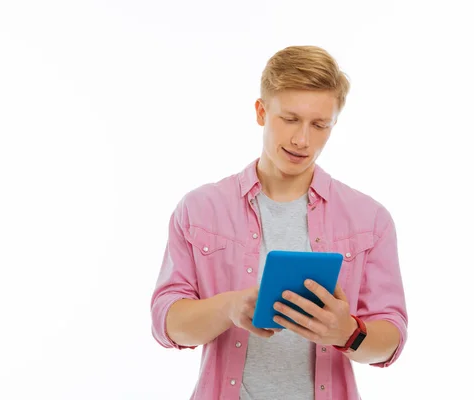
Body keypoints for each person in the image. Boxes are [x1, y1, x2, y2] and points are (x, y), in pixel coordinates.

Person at [150, 45, 408, 400]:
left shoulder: (370, 219)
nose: (303, 140)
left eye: (320, 125)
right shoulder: (199, 209)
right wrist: (229, 308)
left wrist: (346, 332)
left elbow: (391, 339)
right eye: (290, 119)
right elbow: (168, 325)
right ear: (261, 111)